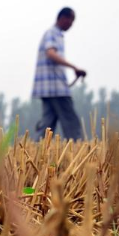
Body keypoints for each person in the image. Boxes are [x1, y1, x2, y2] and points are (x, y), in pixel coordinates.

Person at [32, 7, 86, 140]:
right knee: (71, 121)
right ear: (63, 18)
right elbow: (50, 53)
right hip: (55, 87)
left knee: (47, 125)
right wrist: (74, 67)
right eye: (70, 20)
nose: (71, 24)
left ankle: (34, 153)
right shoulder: (52, 33)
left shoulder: (55, 34)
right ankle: (79, 151)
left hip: (47, 88)